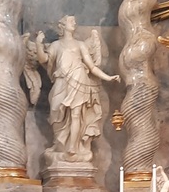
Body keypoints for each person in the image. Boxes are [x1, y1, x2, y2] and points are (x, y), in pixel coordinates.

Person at [36, 16, 120, 161]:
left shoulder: (80, 45)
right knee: (56, 111)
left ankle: (73, 147)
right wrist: (38, 44)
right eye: (71, 21)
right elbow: (43, 59)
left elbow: (92, 67)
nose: (74, 23)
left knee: (76, 114)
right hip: (61, 82)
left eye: (74, 21)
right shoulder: (56, 45)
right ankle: (60, 143)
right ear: (62, 26)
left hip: (79, 79)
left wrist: (108, 77)